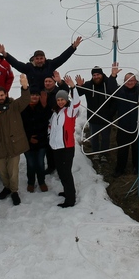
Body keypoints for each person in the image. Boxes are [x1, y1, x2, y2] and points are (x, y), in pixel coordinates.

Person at [0, 74, 30, 206]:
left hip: (14, 146)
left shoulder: (14, 106)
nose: (0, 98)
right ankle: (7, 187)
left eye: (2, 95)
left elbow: (25, 99)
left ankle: (14, 191)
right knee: (2, 172)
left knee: (13, 172)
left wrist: (25, 86)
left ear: (6, 94)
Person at [111, 62, 139, 178]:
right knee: (122, 150)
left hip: (137, 125)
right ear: (124, 82)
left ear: (136, 81)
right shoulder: (119, 92)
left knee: (137, 148)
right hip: (123, 126)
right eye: (127, 80)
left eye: (132, 80)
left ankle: (137, 167)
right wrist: (113, 76)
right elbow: (111, 88)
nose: (130, 82)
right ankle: (120, 169)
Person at [0, 37, 82, 92]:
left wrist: (73, 47)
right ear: (34, 59)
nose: (39, 61)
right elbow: (16, 64)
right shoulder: (29, 67)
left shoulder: (50, 64)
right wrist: (4, 53)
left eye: (41, 58)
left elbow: (62, 58)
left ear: (44, 58)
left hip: (50, 94)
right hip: (34, 96)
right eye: (37, 59)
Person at [48, 76, 81, 208]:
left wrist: (73, 87)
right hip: (56, 147)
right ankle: (67, 191)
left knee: (66, 172)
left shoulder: (70, 111)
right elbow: (51, 127)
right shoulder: (55, 112)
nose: (61, 102)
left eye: (63, 99)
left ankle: (70, 199)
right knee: (61, 172)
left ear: (66, 100)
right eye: (59, 100)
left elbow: (77, 102)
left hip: (67, 147)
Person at [76, 65, 118, 162]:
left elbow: (115, 97)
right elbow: (78, 94)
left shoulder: (108, 84)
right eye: (94, 75)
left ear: (102, 74)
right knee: (93, 137)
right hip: (93, 117)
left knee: (105, 137)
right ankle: (95, 152)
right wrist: (79, 86)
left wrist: (111, 113)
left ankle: (104, 154)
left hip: (106, 118)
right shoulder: (88, 85)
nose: (96, 76)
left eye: (98, 74)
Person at [21, 88, 52, 192]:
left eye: (36, 95)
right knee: (30, 163)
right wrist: (29, 137)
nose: (34, 97)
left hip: (41, 141)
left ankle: (41, 181)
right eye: (32, 94)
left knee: (40, 163)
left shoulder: (43, 107)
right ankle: (30, 182)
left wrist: (45, 106)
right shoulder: (23, 109)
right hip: (26, 142)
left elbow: (46, 122)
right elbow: (20, 126)